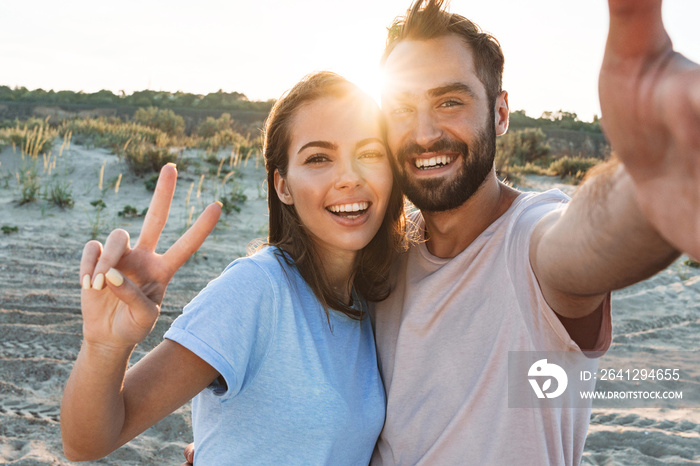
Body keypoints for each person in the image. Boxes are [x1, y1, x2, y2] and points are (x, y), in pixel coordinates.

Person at [183, 0, 699, 464]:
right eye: (402, 108)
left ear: (499, 113)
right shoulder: (379, 253)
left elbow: (588, 239)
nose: (425, 131)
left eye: (450, 102)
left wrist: (651, 185)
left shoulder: (532, 243)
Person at [60, 71, 405, 464]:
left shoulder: (373, 296)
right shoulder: (258, 289)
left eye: (370, 153)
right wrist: (104, 346)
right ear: (283, 186)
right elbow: (85, 443)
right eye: (318, 158)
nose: (349, 177)